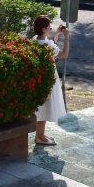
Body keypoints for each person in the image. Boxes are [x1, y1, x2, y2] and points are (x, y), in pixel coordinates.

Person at [32, 16, 69, 146]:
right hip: (48, 78)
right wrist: (66, 37)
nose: (50, 28)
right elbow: (63, 54)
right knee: (44, 107)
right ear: (43, 29)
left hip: (39, 77)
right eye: (49, 27)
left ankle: (40, 134)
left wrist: (57, 34)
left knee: (41, 106)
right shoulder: (47, 45)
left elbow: (50, 43)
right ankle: (40, 137)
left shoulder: (34, 41)